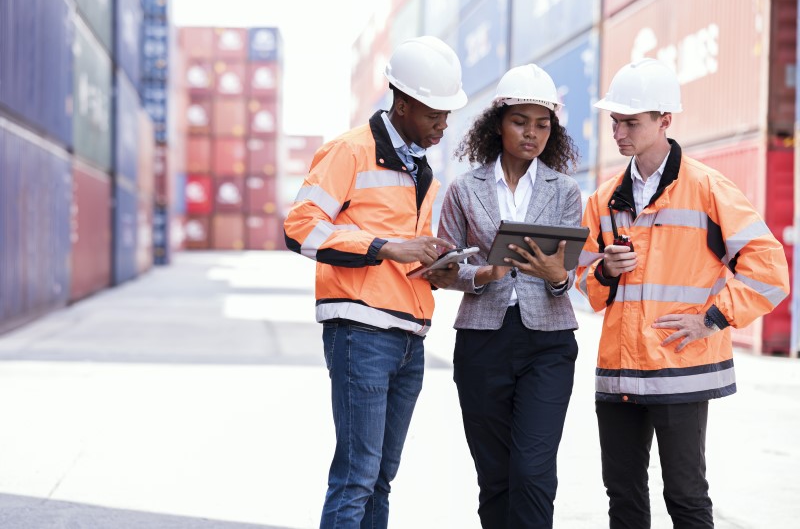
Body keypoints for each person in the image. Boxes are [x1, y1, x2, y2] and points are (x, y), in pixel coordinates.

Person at [577, 58, 790, 528]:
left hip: (681, 369)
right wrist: (606, 273)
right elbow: (586, 288)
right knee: (624, 499)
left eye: (631, 122)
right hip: (617, 373)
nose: (619, 133)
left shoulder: (709, 188)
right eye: (615, 122)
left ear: (664, 120)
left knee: (687, 498)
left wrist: (711, 318)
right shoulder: (603, 199)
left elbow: (770, 270)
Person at [283, 36, 467, 529]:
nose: (443, 125)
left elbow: (411, 250)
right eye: (435, 114)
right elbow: (298, 228)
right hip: (360, 333)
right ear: (402, 103)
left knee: (381, 478)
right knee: (356, 477)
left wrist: (441, 268)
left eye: (448, 114)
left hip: (410, 338)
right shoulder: (349, 152)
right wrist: (386, 247)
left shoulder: (422, 170)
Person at [437, 64, 582, 528]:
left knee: (533, 471)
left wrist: (557, 276)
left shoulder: (566, 191)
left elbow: (567, 278)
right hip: (483, 342)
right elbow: (440, 271)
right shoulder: (464, 189)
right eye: (521, 121)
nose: (532, 133)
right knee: (495, 475)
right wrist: (484, 273)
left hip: (549, 344)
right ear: (496, 123)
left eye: (542, 125)